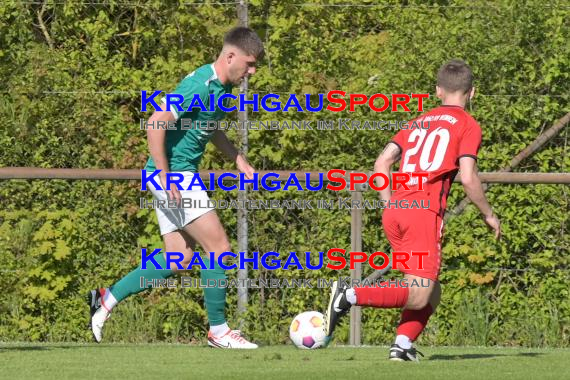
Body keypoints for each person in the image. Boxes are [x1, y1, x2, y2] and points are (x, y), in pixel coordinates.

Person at [87, 26, 264, 349]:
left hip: (174, 176)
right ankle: (219, 331)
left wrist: (238, 159)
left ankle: (106, 299)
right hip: (175, 176)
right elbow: (156, 123)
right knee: (220, 248)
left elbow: (210, 130)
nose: (251, 72)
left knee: (178, 259)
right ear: (230, 56)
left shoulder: (222, 91)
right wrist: (167, 176)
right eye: (249, 64)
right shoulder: (199, 84)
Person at [324, 59, 501, 361]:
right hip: (423, 214)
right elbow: (469, 177)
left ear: (437, 91)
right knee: (419, 292)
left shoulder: (417, 122)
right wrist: (488, 213)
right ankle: (349, 295)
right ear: (472, 93)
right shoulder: (468, 125)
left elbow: (382, 163)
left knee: (431, 292)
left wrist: (390, 202)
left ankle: (403, 346)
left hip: (396, 210)